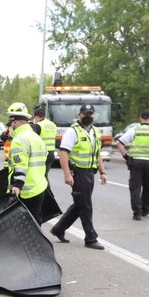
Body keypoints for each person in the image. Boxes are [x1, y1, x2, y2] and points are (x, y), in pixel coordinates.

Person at [49, 103, 108, 250]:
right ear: (79, 115)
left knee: (80, 204)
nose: (87, 116)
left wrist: (103, 172)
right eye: (84, 114)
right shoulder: (72, 131)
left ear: (94, 115)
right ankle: (90, 238)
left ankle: (58, 229)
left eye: (90, 114)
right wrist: (67, 174)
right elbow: (63, 152)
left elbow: (97, 154)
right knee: (86, 206)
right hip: (78, 173)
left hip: (90, 172)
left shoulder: (95, 131)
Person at [5, 102, 49, 224]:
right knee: (35, 223)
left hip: (26, 191)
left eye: (11, 124)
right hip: (39, 187)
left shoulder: (19, 140)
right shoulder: (36, 137)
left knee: (23, 227)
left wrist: (17, 185)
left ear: (15, 123)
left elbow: (21, 166)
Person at [32, 103, 58, 173]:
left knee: (41, 176)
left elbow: (32, 139)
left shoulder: (38, 125)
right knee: (45, 175)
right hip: (51, 154)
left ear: (37, 116)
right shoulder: (53, 125)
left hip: (42, 154)